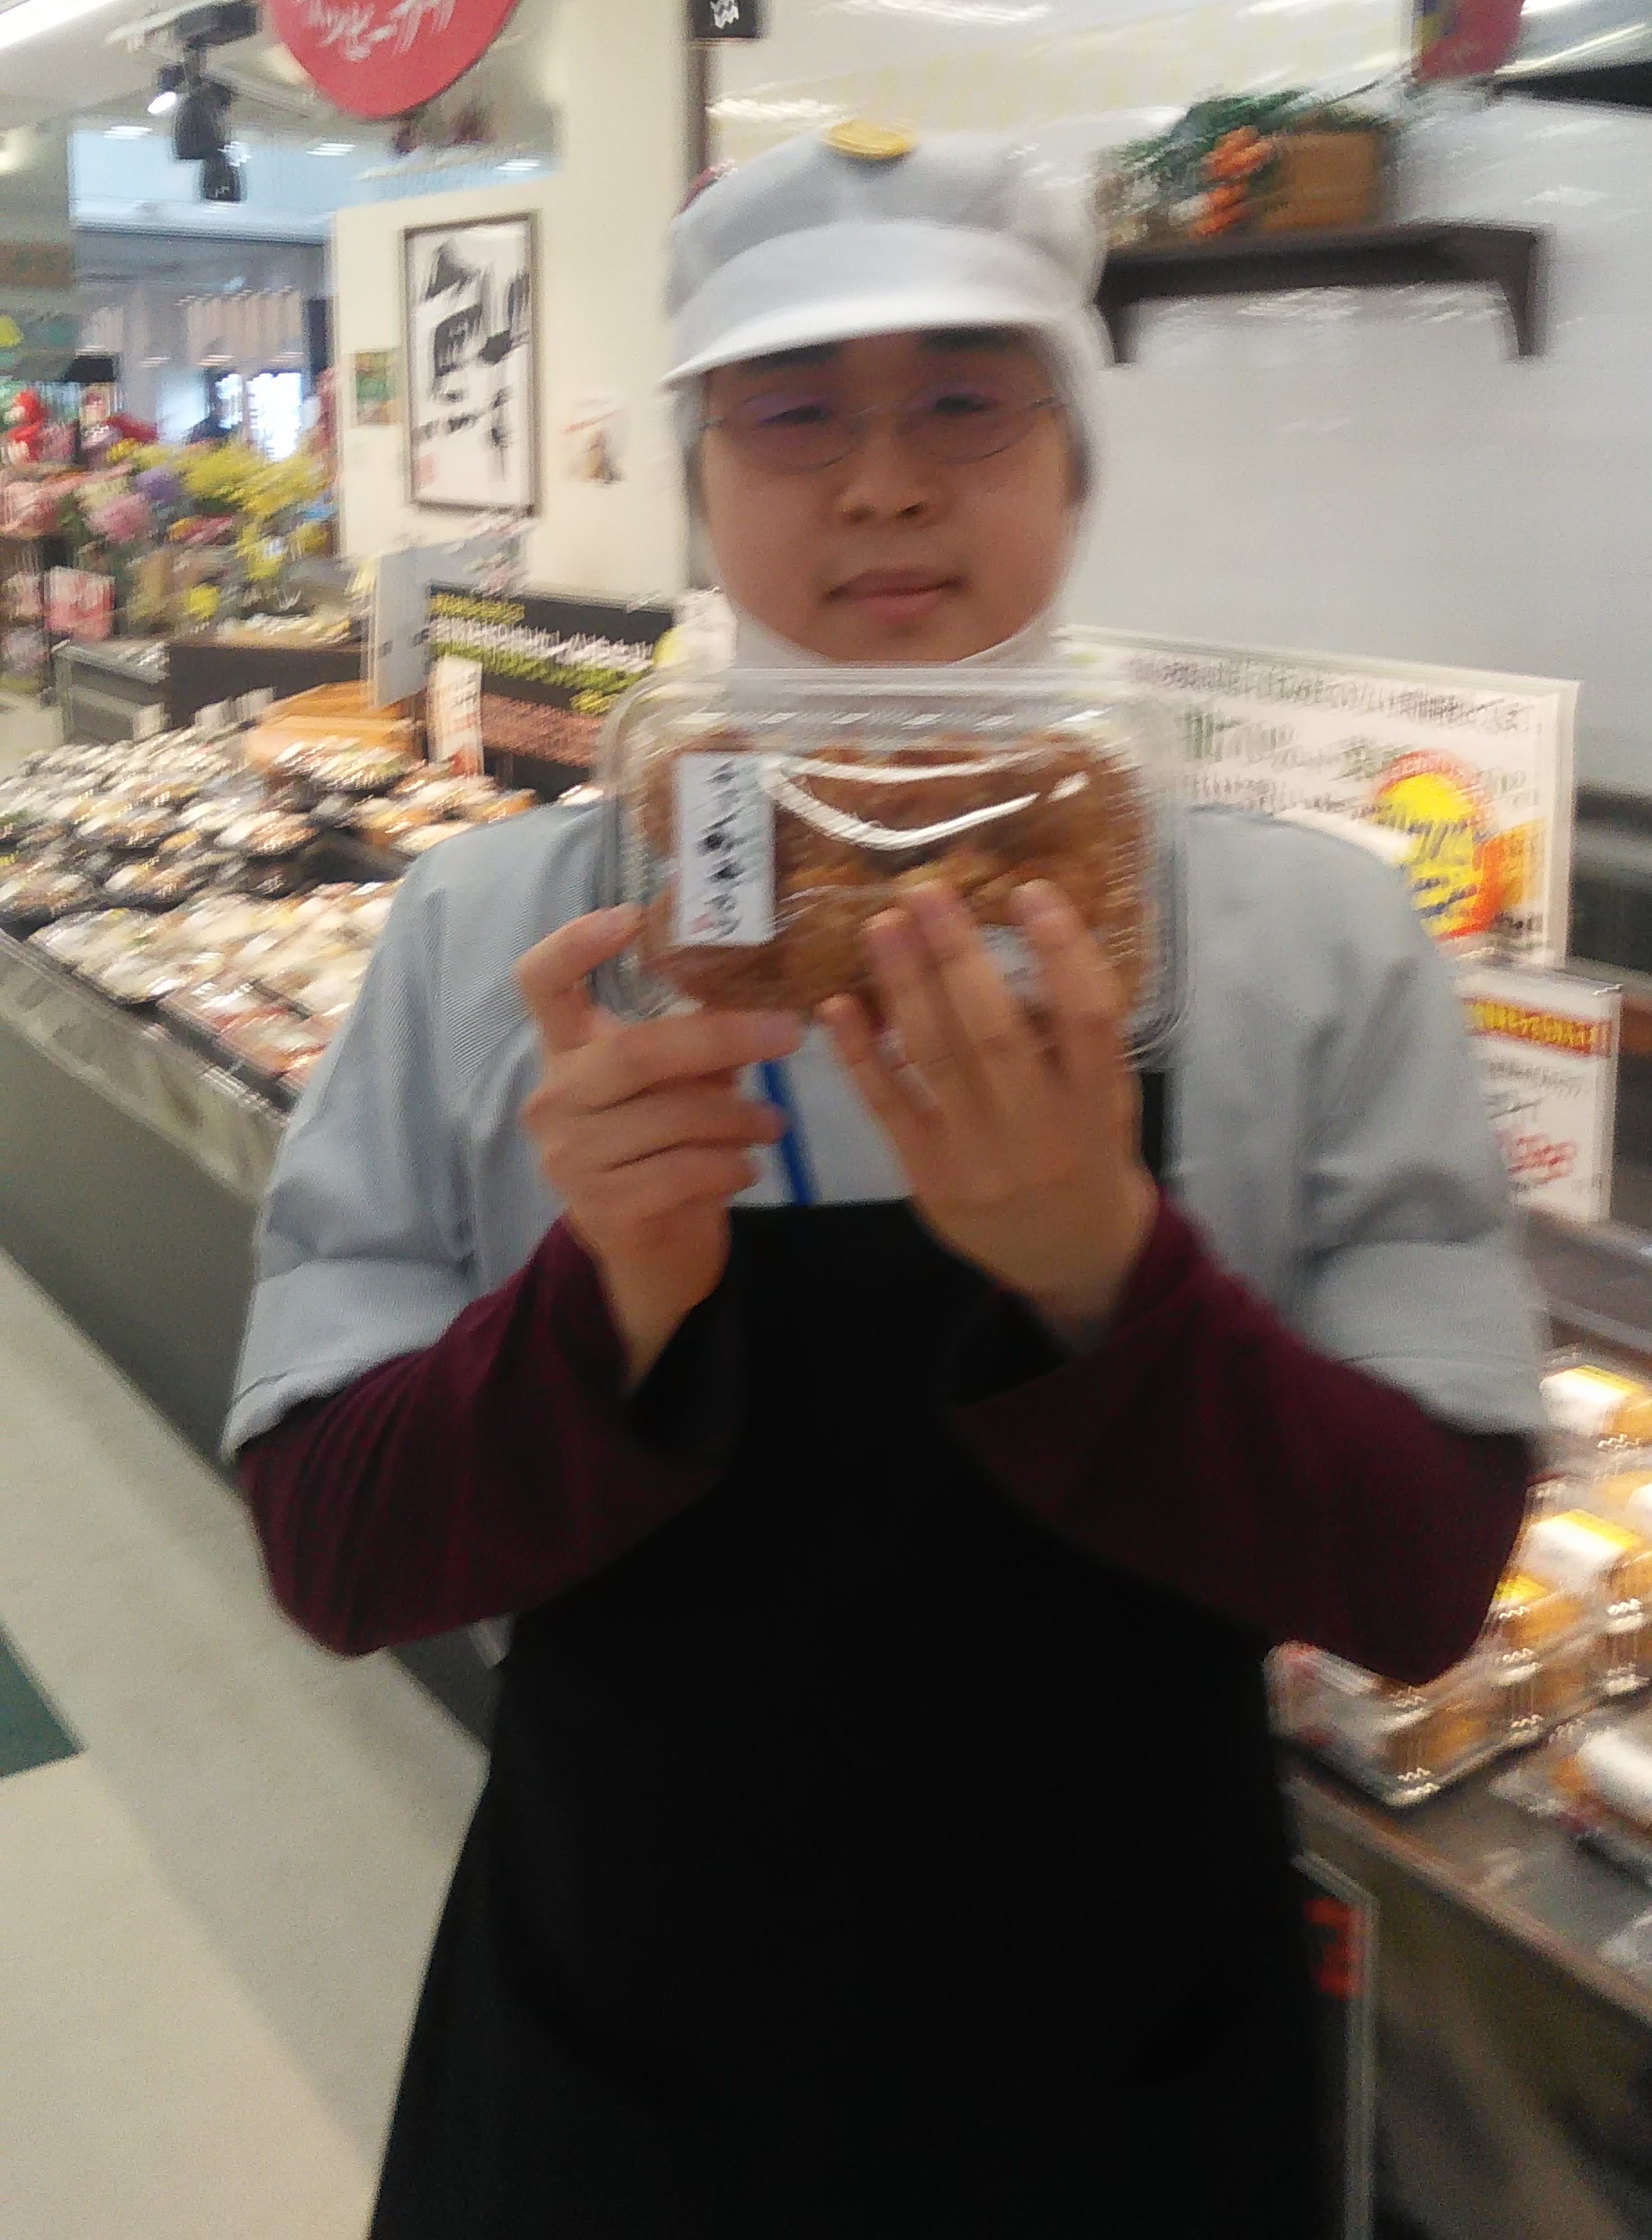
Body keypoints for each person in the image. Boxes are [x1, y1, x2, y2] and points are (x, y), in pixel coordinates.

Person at [229, 130, 1543, 2239]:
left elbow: (1417, 1583)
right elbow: (338, 1549)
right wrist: (603, 1303)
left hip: (1126, 2080)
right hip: (620, 2065)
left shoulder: (1310, 949)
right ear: (702, 474)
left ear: (1075, 465)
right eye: (791, 414)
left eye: (964, 401)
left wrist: (1107, 1277)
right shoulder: (507, 942)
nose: (883, 485)